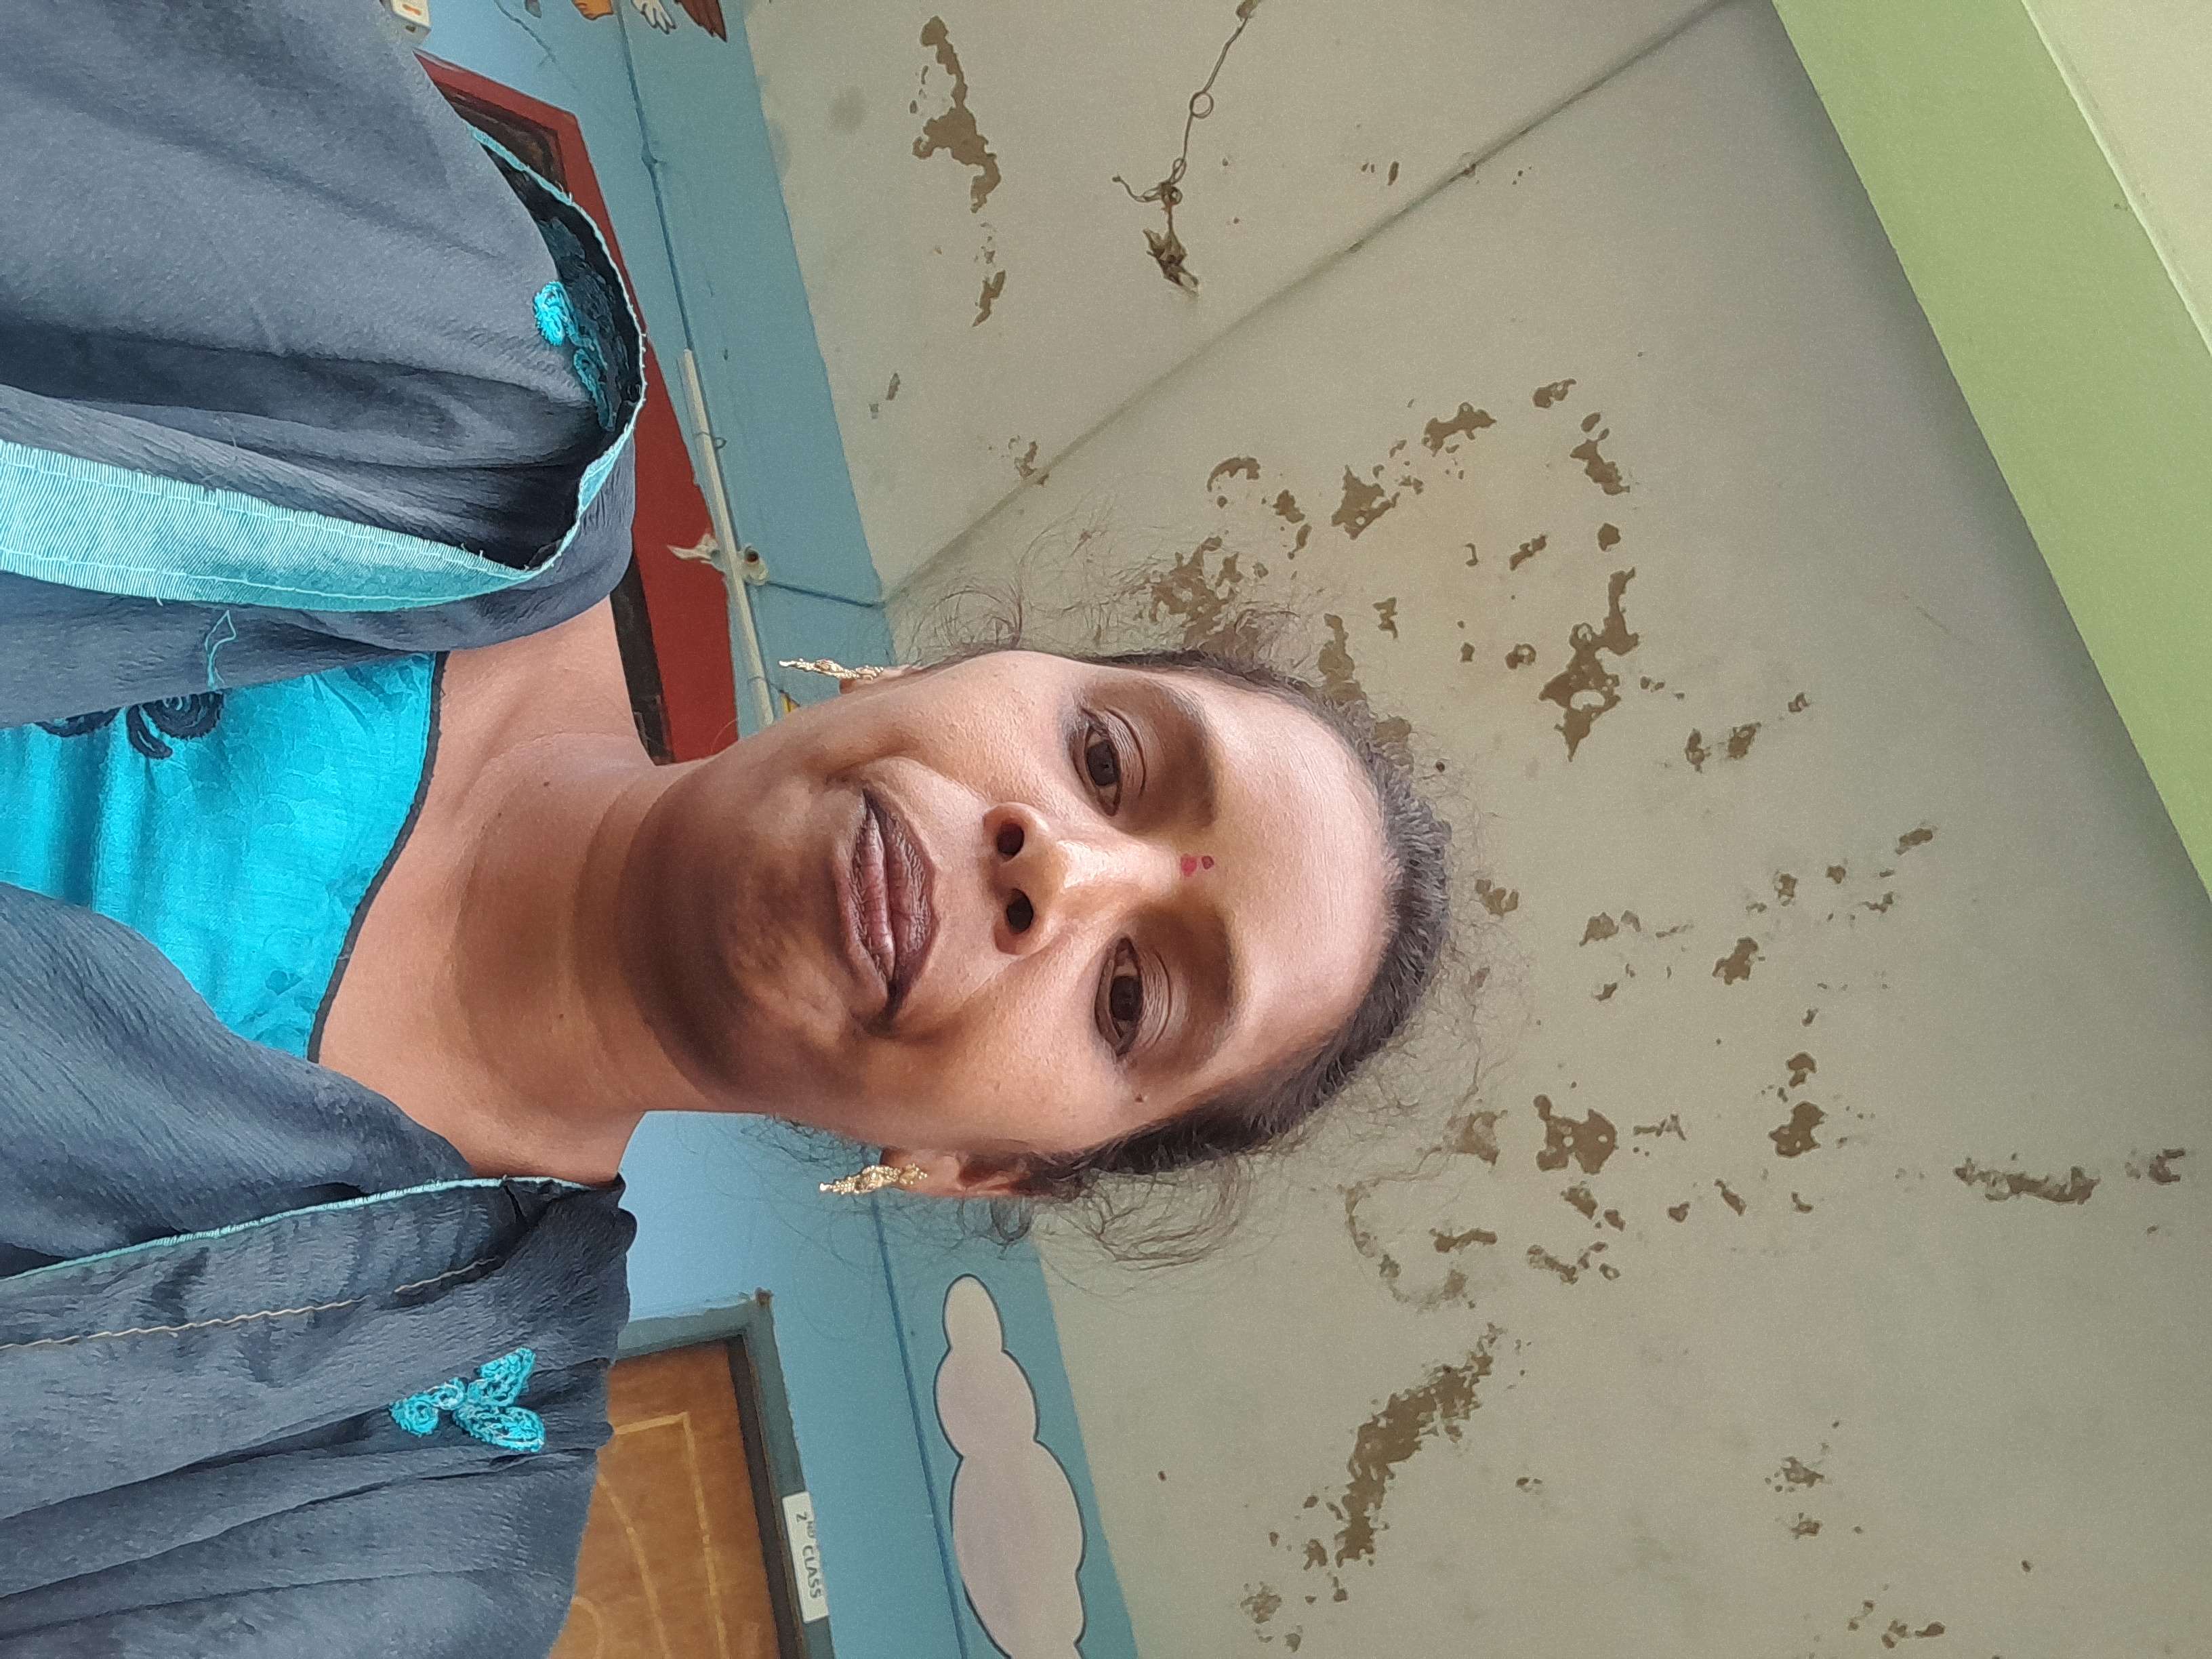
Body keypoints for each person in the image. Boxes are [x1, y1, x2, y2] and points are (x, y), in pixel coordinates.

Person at [0, 3, 1449, 1655]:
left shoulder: (391, 1535)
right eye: (1107, 760)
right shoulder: (450, 355)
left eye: (1132, 997)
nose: (1056, 867)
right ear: (936, 670)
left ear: (977, 1169)